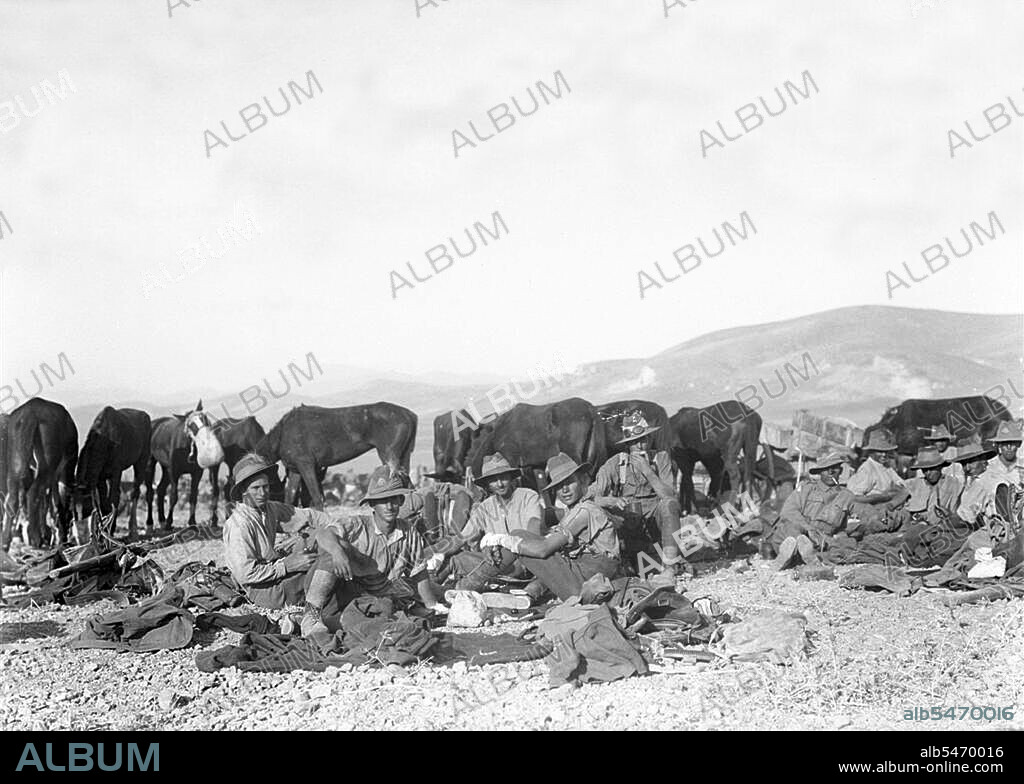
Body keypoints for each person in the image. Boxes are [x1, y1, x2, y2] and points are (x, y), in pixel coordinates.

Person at [223, 455, 443, 637]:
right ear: (243, 491)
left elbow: (309, 517)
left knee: (341, 578)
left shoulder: (269, 509)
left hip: (279, 573)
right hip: (264, 589)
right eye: (256, 489)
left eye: (265, 487)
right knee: (329, 566)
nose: (263, 493)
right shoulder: (238, 524)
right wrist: (287, 565)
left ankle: (308, 618)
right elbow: (245, 574)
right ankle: (311, 617)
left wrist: (322, 531)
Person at [481, 453, 621, 600]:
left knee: (520, 536)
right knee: (523, 540)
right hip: (587, 576)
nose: (564, 490)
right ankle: (527, 594)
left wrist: (498, 539)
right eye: (559, 486)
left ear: (581, 480)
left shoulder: (584, 511)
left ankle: (469, 585)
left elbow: (543, 549)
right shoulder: (574, 510)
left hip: (589, 582)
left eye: (569, 482)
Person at [588, 411, 682, 580]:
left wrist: (648, 472)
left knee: (669, 505)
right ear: (627, 445)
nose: (640, 446)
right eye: (634, 442)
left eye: (643, 439)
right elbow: (589, 498)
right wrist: (610, 500)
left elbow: (670, 497)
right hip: (629, 523)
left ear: (649, 440)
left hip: (655, 519)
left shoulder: (661, 458)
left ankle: (669, 568)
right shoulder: (616, 463)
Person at [433, 454, 544, 594]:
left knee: (510, 565)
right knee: (456, 560)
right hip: (496, 564)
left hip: (526, 562)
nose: (500, 484)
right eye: (493, 480)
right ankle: (432, 593)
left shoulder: (528, 496)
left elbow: (534, 530)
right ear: (487, 485)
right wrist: (434, 553)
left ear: (510, 477)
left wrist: (496, 544)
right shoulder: (485, 508)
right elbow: (460, 539)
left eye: (503, 477)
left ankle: (460, 589)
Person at [769, 451, 848, 570]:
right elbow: (788, 512)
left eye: (835, 468)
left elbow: (846, 526)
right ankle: (787, 556)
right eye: (826, 469)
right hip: (796, 532)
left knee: (842, 546)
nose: (831, 472)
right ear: (820, 472)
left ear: (840, 471)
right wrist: (808, 528)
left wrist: (836, 538)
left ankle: (806, 557)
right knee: (792, 531)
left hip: (820, 541)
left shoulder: (845, 496)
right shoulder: (806, 488)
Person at [843, 431, 909, 538]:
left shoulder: (886, 467)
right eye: (879, 451)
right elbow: (854, 498)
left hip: (888, 508)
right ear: (871, 452)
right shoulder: (867, 469)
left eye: (886, 451)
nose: (884, 454)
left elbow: (902, 485)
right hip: (872, 512)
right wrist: (882, 497)